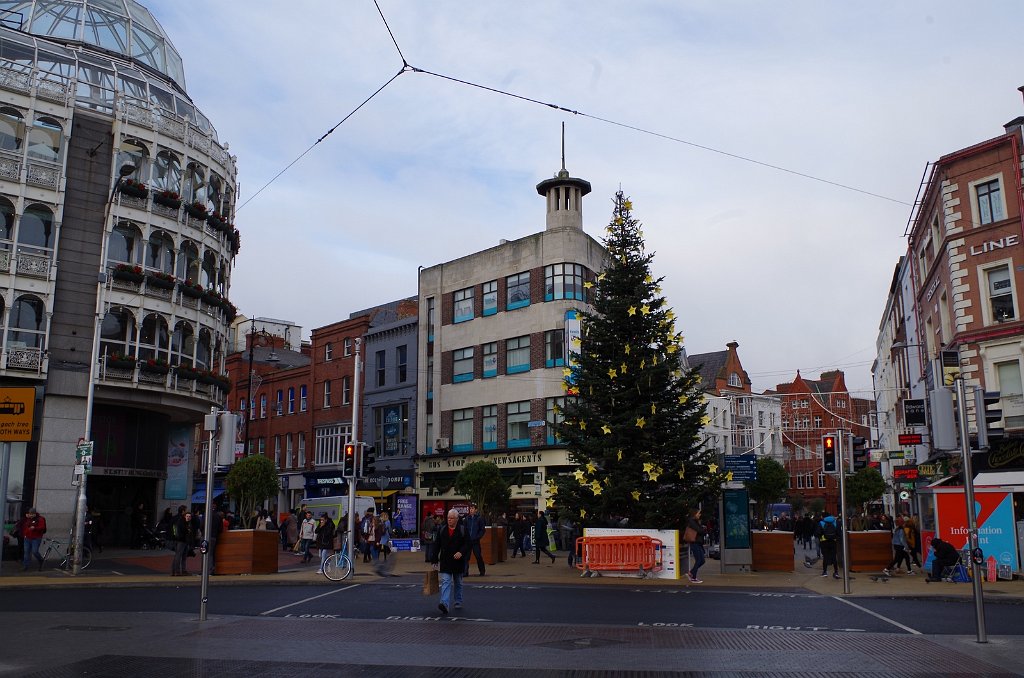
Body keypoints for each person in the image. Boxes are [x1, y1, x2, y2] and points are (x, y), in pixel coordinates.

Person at [430, 508, 470, 616]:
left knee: (458, 582)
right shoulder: (442, 529)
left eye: (452, 518)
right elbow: (437, 544)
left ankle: (458, 601)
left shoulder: (462, 529)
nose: (449, 520)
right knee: (446, 582)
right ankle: (444, 604)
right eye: (448, 518)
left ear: (457, 519)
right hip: (446, 561)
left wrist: (461, 552)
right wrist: (434, 560)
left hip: (458, 561)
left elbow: (467, 544)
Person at [171, 508, 198, 576]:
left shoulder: (188, 523)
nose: (188, 518)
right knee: (179, 556)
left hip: (185, 541)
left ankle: (182, 570)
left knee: (183, 556)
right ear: (184, 516)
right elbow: (181, 532)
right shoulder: (181, 523)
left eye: (189, 516)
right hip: (181, 541)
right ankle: (176, 571)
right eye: (187, 516)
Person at [816, 511, 840, 579]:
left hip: (824, 542)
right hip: (833, 541)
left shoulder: (821, 523)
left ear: (823, 517)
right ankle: (836, 572)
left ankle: (825, 572)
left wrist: (822, 536)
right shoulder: (835, 522)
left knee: (825, 557)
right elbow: (839, 533)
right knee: (834, 557)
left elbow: (818, 533)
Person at [20, 507, 46, 571]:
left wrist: (35, 528)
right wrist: (24, 534)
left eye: (32, 514)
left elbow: (42, 527)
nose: (30, 515)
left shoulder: (40, 519)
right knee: (26, 552)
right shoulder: (27, 519)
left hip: (36, 538)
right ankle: (25, 565)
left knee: (35, 551)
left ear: (35, 514)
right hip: (27, 537)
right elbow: (24, 527)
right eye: (30, 514)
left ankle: (40, 560)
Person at [463, 504, 486, 576]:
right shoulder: (467, 519)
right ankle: (465, 572)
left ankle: (482, 571)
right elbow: (464, 529)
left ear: (476, 510)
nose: (471, 510)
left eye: (472, 508)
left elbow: (482, 530)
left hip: (475, 541)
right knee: (466, 557)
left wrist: (477, 537)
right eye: (470, 509)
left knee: (478, 556)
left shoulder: (479, 518)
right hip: (468, 541)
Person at [685, 507, 706, 583]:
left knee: (702, 560)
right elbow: (700, 531)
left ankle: (691, 573)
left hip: (698, 543)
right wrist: (703, 529)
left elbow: (700, 530)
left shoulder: (696, 521)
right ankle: (693, 577)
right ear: (694, 514)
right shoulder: (692, 521)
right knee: (699, 560)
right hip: (695, 543)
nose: (700, 515)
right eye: (698, 513)